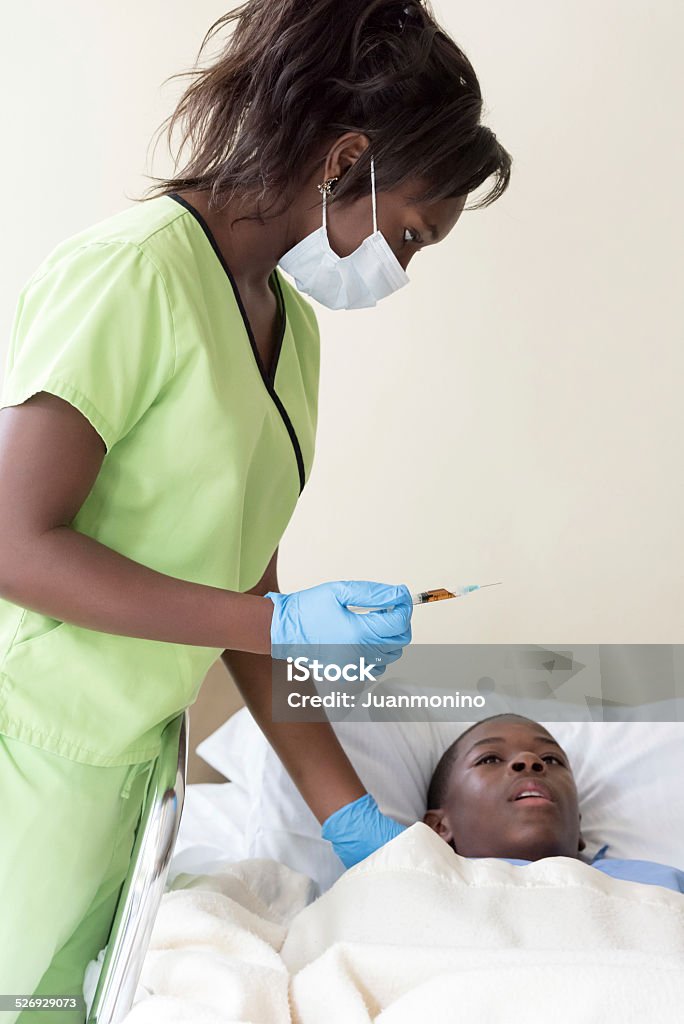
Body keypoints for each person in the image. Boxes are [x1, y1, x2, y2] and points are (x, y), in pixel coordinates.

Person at [0, 1, 511, 1016]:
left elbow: (248, 592)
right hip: (30, 751)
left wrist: (360, 827)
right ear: (345, 157)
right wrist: (269, 618)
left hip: (131, 772)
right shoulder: (137, 270)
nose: (400, 269)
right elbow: (13, 542)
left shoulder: (292, 330)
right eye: (408, 232)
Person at [323, 714, 684, 895]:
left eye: (552, 759)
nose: (530, 761)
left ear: (577, 826)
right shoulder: (409, 869)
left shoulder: (657, 884)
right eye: (490, 759)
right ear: (438, 827)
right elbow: (284, 685)